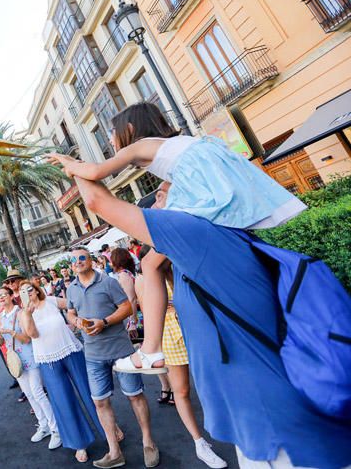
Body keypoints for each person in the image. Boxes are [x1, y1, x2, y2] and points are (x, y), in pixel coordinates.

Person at [63, 172, 351, 468]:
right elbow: (149, 264)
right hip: (260, 422)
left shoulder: (199, 237)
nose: (154, 203)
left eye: (161, 194)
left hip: (282, 426)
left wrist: (76, 167)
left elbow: (97, 201)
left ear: (190, 200)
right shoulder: (190, 256)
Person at [48, 102, 306, 374]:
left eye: (111, 132)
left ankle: (150, 348)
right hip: (214, 190)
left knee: (149, 264)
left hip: (199, 195)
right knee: (151, 263)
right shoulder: (174, 143)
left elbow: (96, 173)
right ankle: (151, 348)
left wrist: (72, 165)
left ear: (130, 128)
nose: (110, 139)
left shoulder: (140, 145)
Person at [134, 244, 227, 468]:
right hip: (169, 333)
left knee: (216, 381)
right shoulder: (144, 278)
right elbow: (148, 310)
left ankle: (232, 427)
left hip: (194, 328)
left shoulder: (179, 269)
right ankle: (199, 443)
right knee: (181, 390)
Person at [65, 248, 159, 468]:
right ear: (71, 266)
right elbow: (70, 312)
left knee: (135, 396)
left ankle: (148, 442)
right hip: (93, 355)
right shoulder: (71, 289)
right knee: (100, 402)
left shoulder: (108, 282)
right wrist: (76, 320)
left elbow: (127, 307)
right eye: (74, 260)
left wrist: (104, 322)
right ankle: (114, 451)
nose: (78, 262)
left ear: (90, 261)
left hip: (121, 350)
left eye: (82, 258)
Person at [21, 280, 103, 464]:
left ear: (36, 290)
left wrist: (77, 321)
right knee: (63, 401)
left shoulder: (51, 301)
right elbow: (33, 334)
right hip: (48, 360)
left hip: (70, 350)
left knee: (90, 392)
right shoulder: (23, 313)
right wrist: (28, 313)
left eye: (30, 289)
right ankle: (79, 443)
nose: (29, 293)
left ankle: (108, 429)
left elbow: (74, 305)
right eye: (23, 291)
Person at [0, 285, 61, 450]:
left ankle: (56, 429)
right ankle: (43, 425)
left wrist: (11, 332)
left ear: (11, 296)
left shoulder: (21, 312)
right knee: (30, 395)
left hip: (30, 357)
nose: (1, 298)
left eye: (4, 295)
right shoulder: (0, 316)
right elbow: (2, 342)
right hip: (15, 361)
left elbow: (27, 338)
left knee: (38, 392)